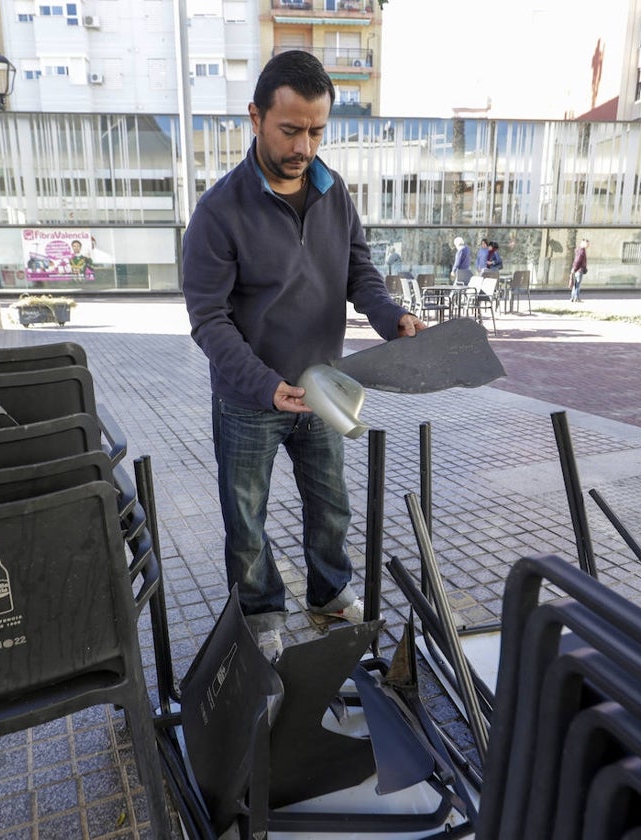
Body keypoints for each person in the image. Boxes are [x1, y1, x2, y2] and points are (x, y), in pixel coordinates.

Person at [181, 50, 425, 661]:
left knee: (331, 507)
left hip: (322, 388)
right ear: (255, 118)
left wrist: (390, 315)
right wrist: (265, 386)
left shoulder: (334, 191)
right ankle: (263, 613)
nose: (305, 146)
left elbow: (360, 274)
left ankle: (328, 595)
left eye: (317, 130)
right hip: (249, 399)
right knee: (246, 520)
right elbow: (207, 320)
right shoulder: (218, 213)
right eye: (290, 129)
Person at [570, 238, 589, 302]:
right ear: (583, 243)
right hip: (579, 270)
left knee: (575, 284)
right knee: (577, 285)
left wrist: (574, 269)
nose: (588, 246)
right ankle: (576, 298)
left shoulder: (578, 250)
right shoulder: (581, 251)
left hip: (577, 269)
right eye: (587, 244)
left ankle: (573, 297)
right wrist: (574, 268)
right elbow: (577, 260)